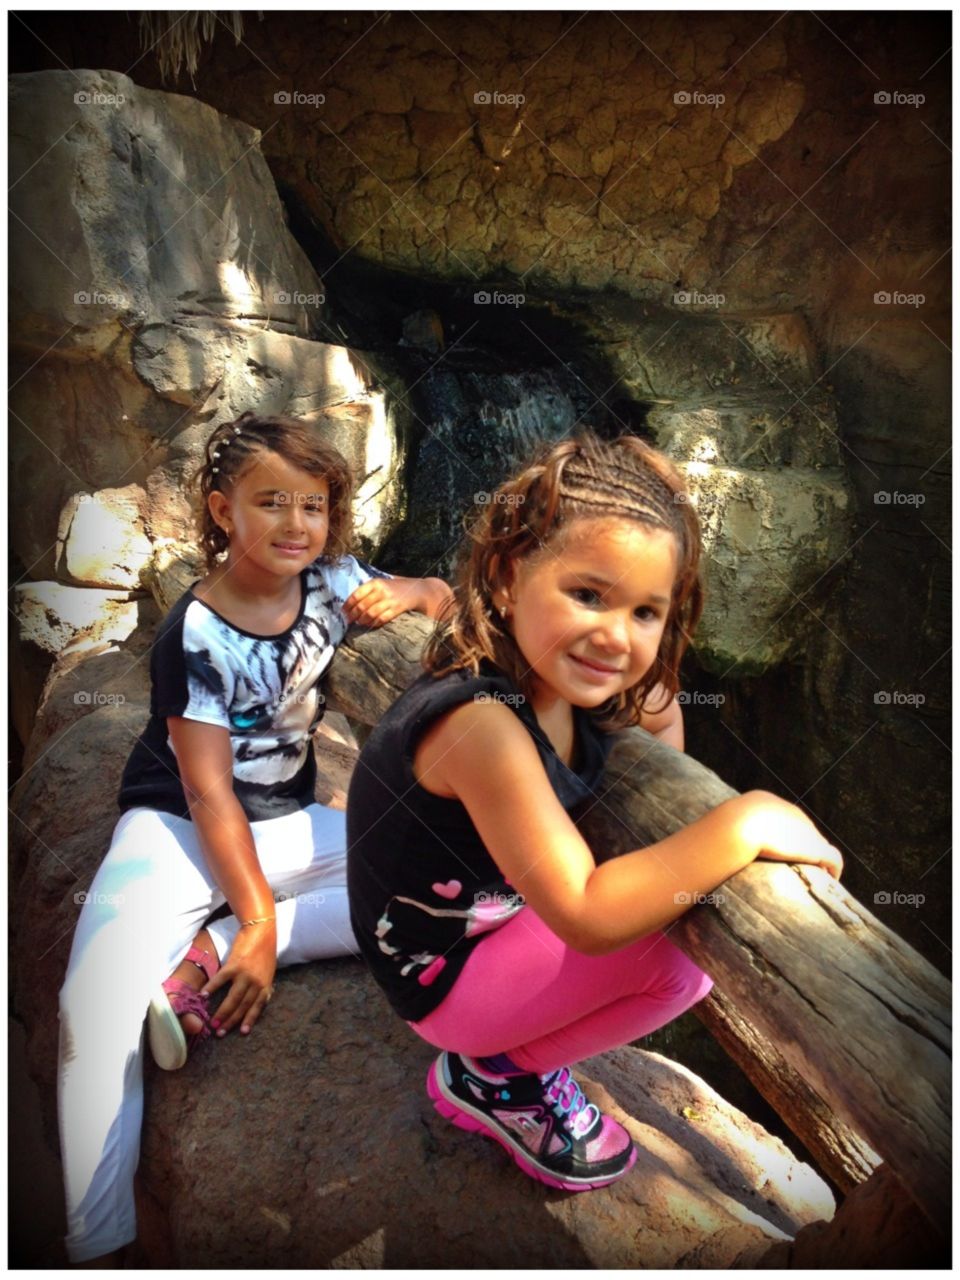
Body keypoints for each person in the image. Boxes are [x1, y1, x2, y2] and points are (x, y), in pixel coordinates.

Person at [347, 432, 844, 1193]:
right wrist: (743, 820)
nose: (615, 635)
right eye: (588, 595)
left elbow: (661, 726)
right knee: (680, 958)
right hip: (440, 983)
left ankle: (500, 1061)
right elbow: (584, 912)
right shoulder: (483, 727)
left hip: (483, 923)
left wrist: (649, 683)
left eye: (647, 611)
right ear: (511, 577)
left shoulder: (543, 672)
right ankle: (495, 1078)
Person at [57, 411, 452, 1264]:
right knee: (89, 1010)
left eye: (312, 506)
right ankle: (99, 1245)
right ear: (221, 509)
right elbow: (205, 791)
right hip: (174, 828)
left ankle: (212, 949)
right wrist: (269, 924)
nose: (295, 524)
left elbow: (440, 595)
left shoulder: (330, 583)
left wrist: (411, 594)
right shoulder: (193, 634)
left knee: (445, 890)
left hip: (284, 826)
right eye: (270, 502)